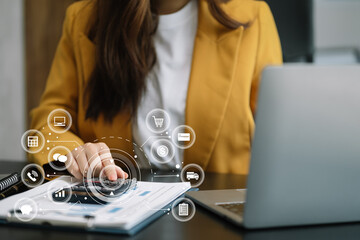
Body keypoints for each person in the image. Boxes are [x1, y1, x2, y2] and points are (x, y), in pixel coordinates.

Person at [30, 0, 282, 180]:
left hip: (218, 206)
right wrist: (74, 153)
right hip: (119, 203)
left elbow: (280, 133)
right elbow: (50, 120)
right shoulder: (83, 19)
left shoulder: (253, 15)